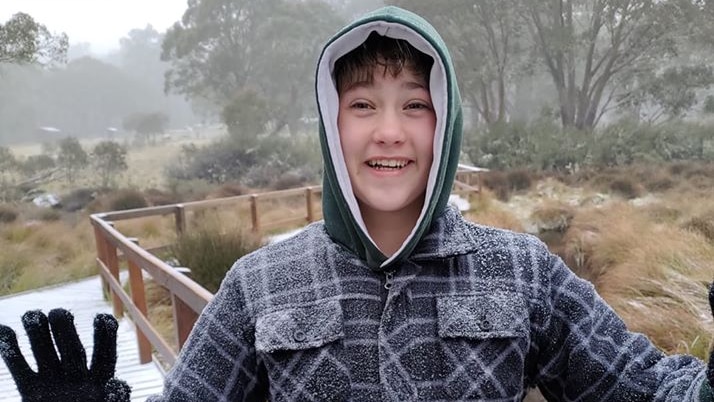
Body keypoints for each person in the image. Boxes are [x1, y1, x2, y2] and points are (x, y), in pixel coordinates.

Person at [2, 5, 714, 401]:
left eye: (416, 104)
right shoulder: (259, 286)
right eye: (362, 104)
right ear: (331, 123)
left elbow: (645, 389)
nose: (389, 130)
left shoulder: (523, 273)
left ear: (446, 124)